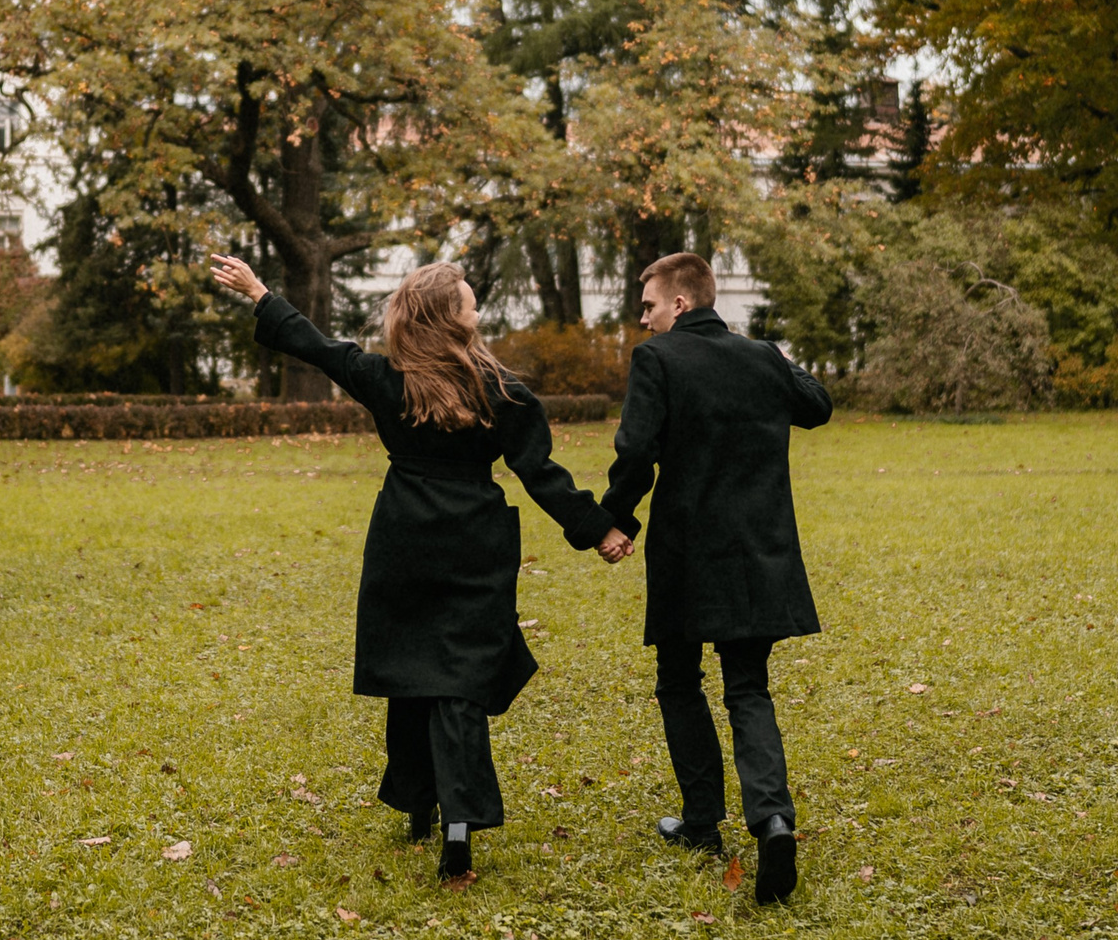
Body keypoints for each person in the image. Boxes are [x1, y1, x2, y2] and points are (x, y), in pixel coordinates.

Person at [209, 253, 620, 883]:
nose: (478, 308)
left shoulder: (382, 378)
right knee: (457, 677)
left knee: (411, 668)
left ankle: (419, 806)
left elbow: (316, 346)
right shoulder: (503, 391)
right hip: (475, 539)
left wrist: (260, 292)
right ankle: (455, 818)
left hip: (404, 534)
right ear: (449, 317)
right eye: (470, 300)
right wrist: (599, 531)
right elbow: (541, 475)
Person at [600, 250, 831, 904]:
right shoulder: (759, 357)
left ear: (680, 302)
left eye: (648, 305)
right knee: (748, 688)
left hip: (686, 553)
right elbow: (816, 404)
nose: (642, 320)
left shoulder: (659, 360)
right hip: (759, 551)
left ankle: (702, 820)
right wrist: (771, 355)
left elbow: (636, 451)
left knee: (679, 681)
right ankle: (773, 820)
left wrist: (613, 520)